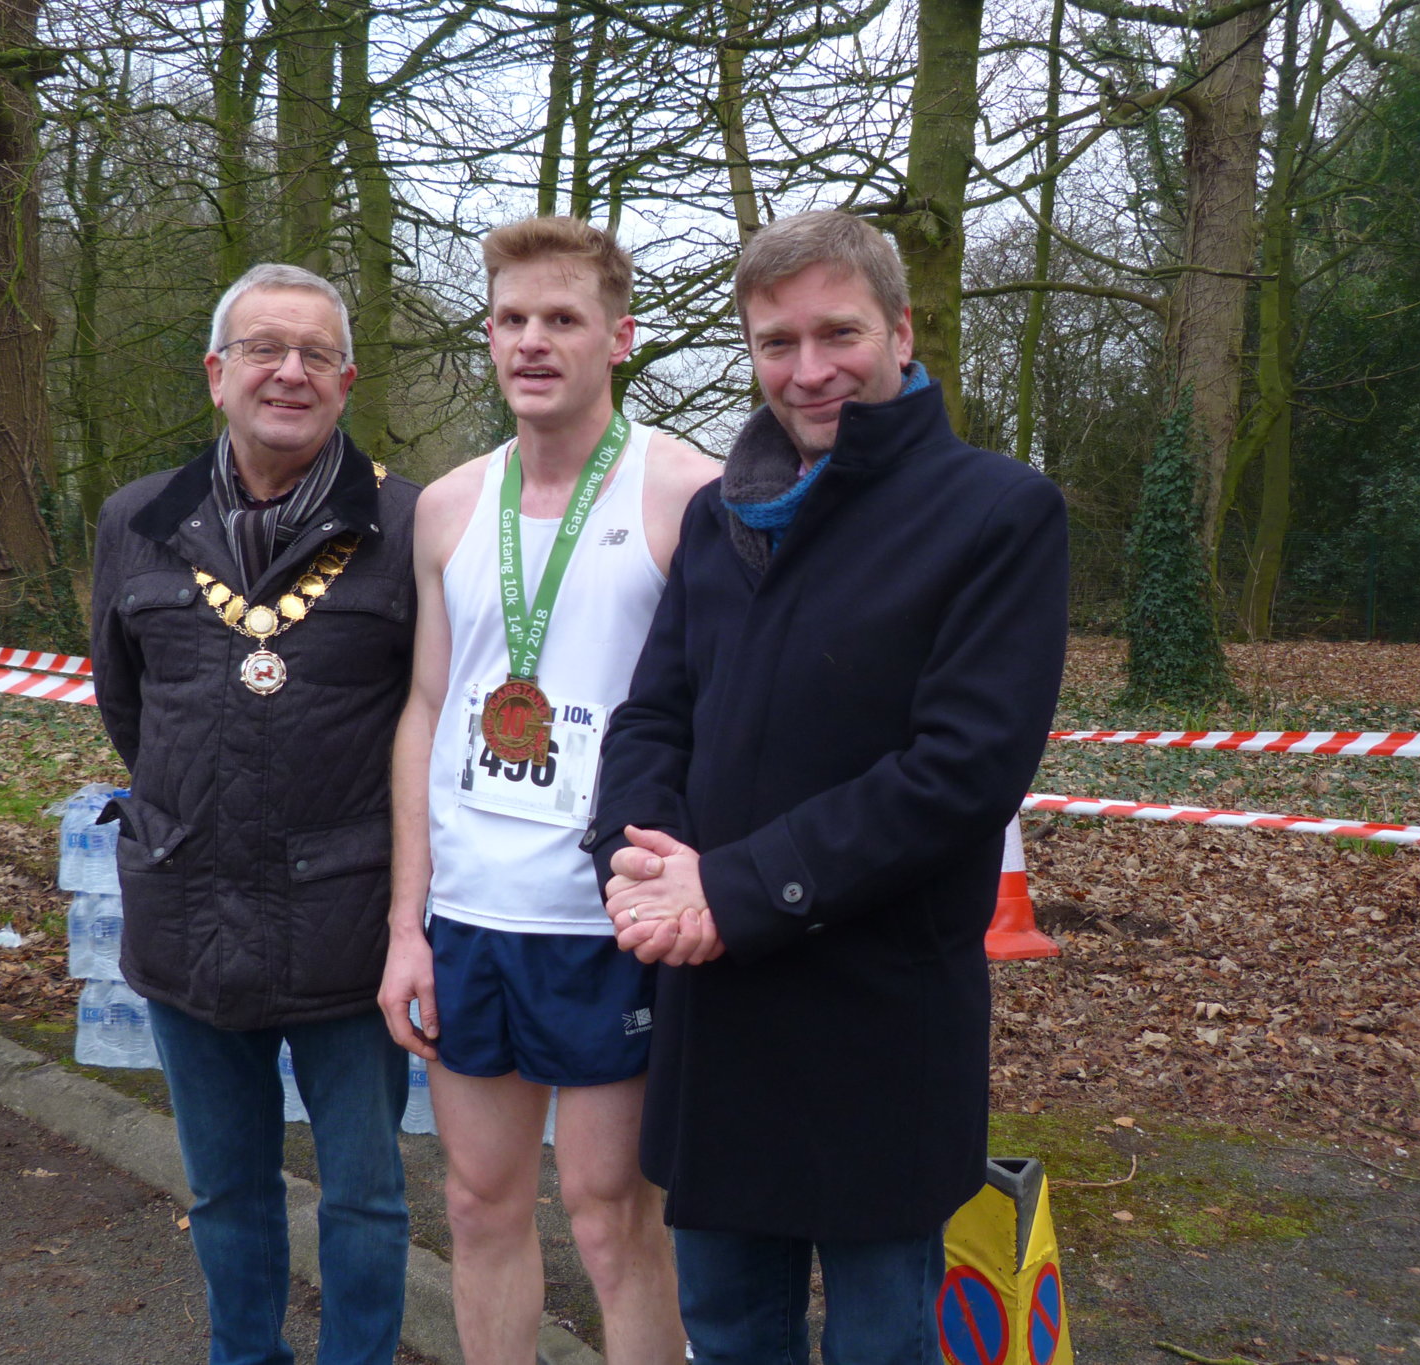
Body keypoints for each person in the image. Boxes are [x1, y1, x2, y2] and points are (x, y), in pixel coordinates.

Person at [589, 211, 1071, 1362]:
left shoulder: (997, 513)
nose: (807, 371)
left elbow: (961, 770)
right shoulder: (719, 517)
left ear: (900, 332)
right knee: (729, 1336)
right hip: (717, 1021)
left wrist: (733, 893)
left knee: (882, 1343)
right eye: (774, 342)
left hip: (877, 1025)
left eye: (836, 333)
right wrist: (639, 860)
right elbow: (654, 711)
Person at [379, 216, 715, 1364]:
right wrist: (403, 925)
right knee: (476, 1206)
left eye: (561, 319)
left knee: (613, 1220)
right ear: (486, 336)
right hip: (472, 913)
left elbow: (722, 720)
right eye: (512, 319)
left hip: (608, 920)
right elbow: (425, 709)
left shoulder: (684, 494)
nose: (533, 341)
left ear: (618, 336)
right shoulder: (445, 508)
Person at [91, 263, 420, 1365]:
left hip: (349, 925)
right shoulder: (135, 519)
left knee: (366, 1198)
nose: (289, 371)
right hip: (186, 911)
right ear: (215, 374)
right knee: (225, 1188)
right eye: (264, 349)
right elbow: (127, 708)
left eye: (315, 353)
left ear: (346, 379)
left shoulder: (411, 526)